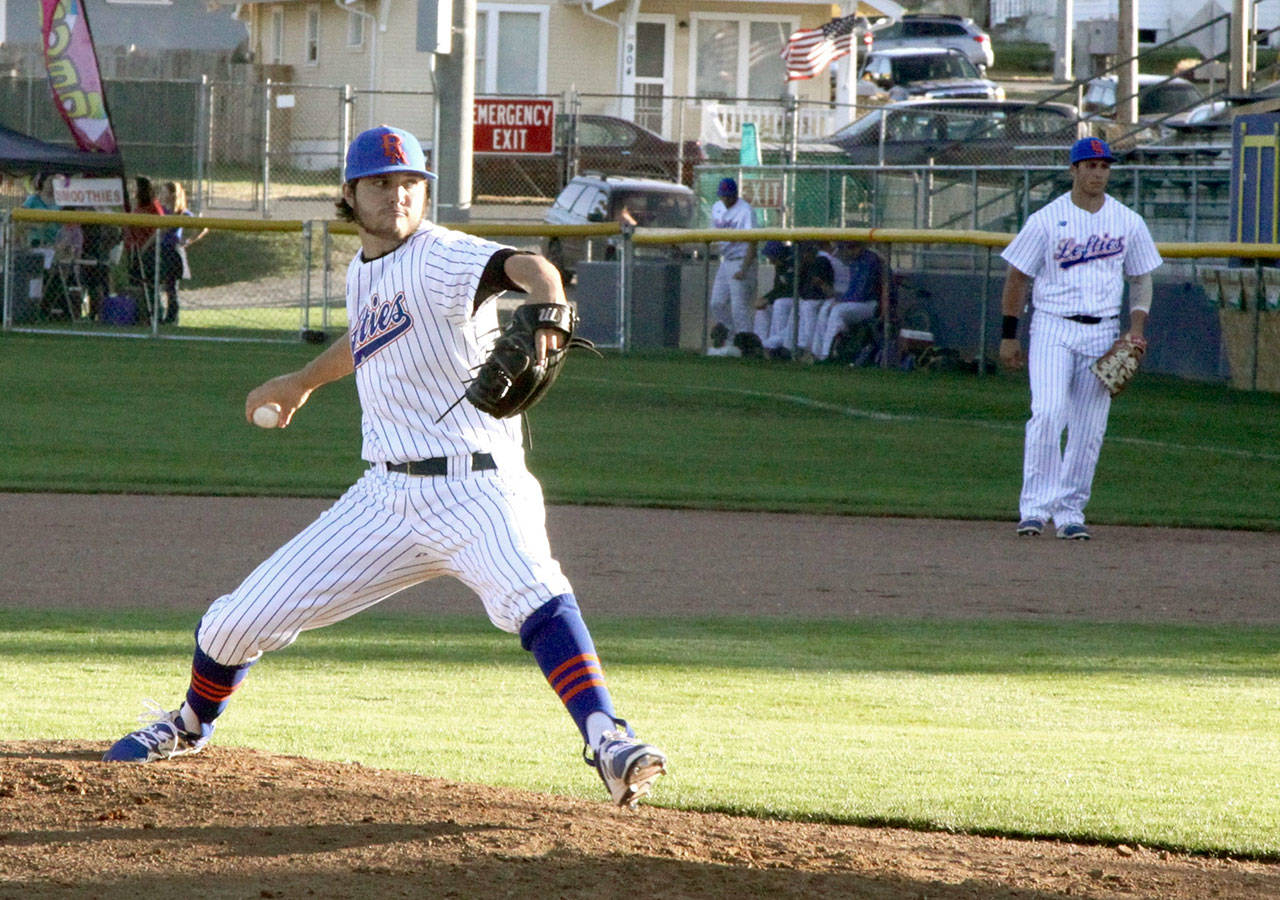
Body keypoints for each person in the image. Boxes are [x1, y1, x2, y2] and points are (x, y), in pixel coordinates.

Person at [101, 125, 668, 809]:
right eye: (382, 182)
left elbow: (530, 269)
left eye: (411, 183)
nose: (399, 195)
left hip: (478, 487)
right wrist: (303, 382)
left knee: (534, 594)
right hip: (384, 500)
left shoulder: (441, 256)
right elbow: (367, 336)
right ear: (350, 195)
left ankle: (609, 738)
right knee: (231, 623)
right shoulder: (363, 270)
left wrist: (548, 312)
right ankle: (190, 724)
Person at [999, 137, 1161, 540]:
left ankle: (1070, 511)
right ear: (1073, 171)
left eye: (1104, 166)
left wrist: (1136, 329)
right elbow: (1017, 276)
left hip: (1103, 331)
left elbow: (1141, 279)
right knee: (1049, 413)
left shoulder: (1128, 221)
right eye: (1089, 166)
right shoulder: (1045, 219)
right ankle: (1034, 508)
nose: (1098, 173)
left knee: (1089, 428)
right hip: (1052, 325)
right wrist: (1008, 335)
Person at [810, 241, 887, 363]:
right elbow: (851, 289)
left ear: (862, 246)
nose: (850, 251)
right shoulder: (852, 261)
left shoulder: (870, 259)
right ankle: (817, 353)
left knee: (837, 310)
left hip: (870, 304)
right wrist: (840, 299)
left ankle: (826, 355)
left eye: (853, 247)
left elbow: (862, 292)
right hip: (855, 303)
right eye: (848, 248)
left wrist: (842, 300)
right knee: (826, 307)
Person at [705, 177, 757, 357]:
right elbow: (714, 237)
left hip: (742, 259)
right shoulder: (717, 207)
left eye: (728, 196)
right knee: (717, 303)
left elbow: (753, 242)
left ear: (735, 195)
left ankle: (747, 345)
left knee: (738, 306)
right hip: (726, 260)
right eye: (723, 196)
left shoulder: (745, 210)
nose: (725, 200)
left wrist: (744, 268)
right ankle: (731, 338)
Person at [760, 241, 833, 361]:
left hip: (820, 301)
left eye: (803, 254)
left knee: (806, 309)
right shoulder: (802, 265)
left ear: (810, 252)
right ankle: (777, 347)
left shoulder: (821, 261)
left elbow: (826, 290)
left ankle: (806, 350)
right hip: (805, 300)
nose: (801, 257)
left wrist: (820, 284)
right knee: (792, 323)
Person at [157, 181, 208, 325]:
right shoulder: (161, 210)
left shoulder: (181, 213)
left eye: (164, 192)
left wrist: (188, 240)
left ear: (172, 195)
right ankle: (158, 315)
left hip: (173, 251)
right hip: (160, 250)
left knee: (171, 287)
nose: (161, 195)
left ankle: (172, 318)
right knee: (158, 284)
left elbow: (203, 227)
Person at [123, 176, 165, 316]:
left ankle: (156, 315)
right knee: (136, 283)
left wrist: (145, 246)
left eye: (135, 187)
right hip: (134, 250)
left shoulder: (153, 206)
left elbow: (160, 228)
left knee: (150, 284)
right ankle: (140, 314)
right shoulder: (137, 206)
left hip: (148, 250)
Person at [21, 174, 61, 250]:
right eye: (50, 181)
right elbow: (20, 220)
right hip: (35, 241)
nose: (52, 184)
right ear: (43, 182)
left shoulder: (59, 201)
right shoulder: (33, 199)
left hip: (54, 242)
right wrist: (35, 225)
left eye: (55, 182)